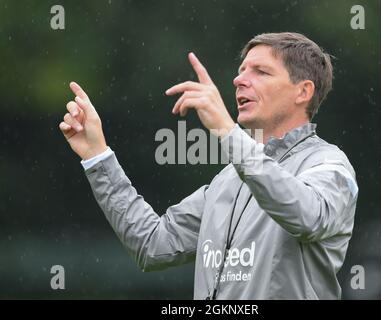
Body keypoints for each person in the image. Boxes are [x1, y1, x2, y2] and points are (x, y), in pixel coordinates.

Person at [59, 32, 358, 299]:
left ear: (302, 92)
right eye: (241, 71)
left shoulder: (329, 165)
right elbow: (152, 246)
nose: (239, 80)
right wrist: (97, 155)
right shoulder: (227, 180)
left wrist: (228, 132)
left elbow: (305, 215)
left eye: (261, 72)